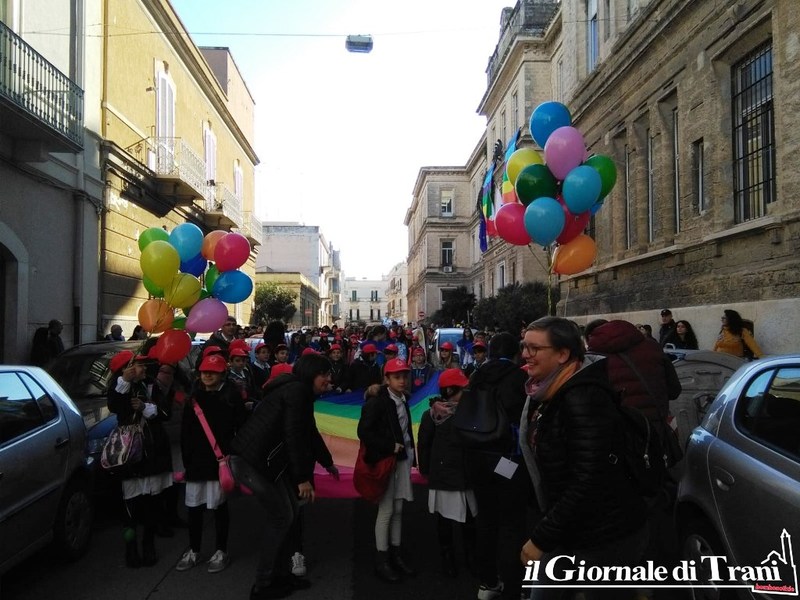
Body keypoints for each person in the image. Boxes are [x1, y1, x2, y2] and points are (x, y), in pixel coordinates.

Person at [518, 317, 649, 600]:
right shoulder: (547, 390)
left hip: (603, 534)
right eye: (524, 346)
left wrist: (542, 536)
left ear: (563, 354)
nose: (525, 354)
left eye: (534, 348)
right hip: (570, 527)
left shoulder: (582, 398)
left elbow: (589, 480)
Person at [229, 353, 334, 599]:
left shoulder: (298, 391)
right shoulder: (297, 392)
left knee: (290, 513)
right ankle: (263, 584)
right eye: (324, 375)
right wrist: (302, 478)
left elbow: (308, 431)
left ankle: (281, 575)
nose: (329, 380)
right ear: (311, 374)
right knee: (281, 517)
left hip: (266, 463)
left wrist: (327, 461)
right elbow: (293, 435)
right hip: (252, 462)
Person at [466, 332, 530, 600]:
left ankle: (488, 582)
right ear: (515, 354)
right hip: (508, 458)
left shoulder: (476, 375)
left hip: (478, 457)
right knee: (512, 523)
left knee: (486, 520)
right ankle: (514, 585)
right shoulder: (520, 378)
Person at [175, 354, 247, 574]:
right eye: (204, 371)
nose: (207, 375)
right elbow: (185, 433)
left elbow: (241, 427)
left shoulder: (231, 397)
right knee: (194, 508)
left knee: (219, 508)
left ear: (222, 374)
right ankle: (194, 549)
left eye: (213, 372)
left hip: (219, 462)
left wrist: (233, 454)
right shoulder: (193, 398)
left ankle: (221, 550)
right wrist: (186, 461)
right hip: (196, 462)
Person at [107, 350, 173, 568]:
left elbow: (166, 413)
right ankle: (131, 547)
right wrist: (125, 383)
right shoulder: (119, 388)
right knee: (130, 506)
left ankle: (148, 544)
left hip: (153, 451)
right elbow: (115, 406)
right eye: (140, 365)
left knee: (152, 503)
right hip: (130, 455)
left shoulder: (151, 385)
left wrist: (146, 407)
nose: (145, 368)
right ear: (126, 369)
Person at [357, 357, 417, 584]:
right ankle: (381, 560)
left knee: (398, 508)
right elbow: (364, 431)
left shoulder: (403, 398)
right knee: (386, 510)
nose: (402, 381)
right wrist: (389, 446)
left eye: (404, 376)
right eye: (397, 377)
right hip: (386, 460)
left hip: (402, 460)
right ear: (387, 379)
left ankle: (395, 554)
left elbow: (405, 430)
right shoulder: (378, 402)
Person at [417, 368, 477, 578]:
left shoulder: (470, 411)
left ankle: (470, 556)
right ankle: (447, 557)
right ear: (450, 390)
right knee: (445, 520)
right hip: (444, 476)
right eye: (462, 389)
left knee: (469, 519)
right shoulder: (431, 416)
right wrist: (426, 470)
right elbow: (424, 445)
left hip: (466, 474)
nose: (466, 392)